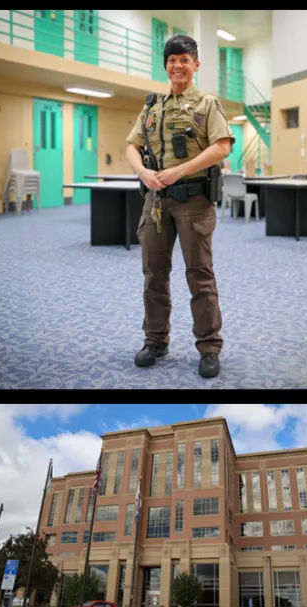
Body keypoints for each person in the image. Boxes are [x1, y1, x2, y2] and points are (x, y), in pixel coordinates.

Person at [124, 34, 235, 378]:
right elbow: (131, 145)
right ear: (166, 66)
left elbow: (222, 146)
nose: (178, 65)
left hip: (194, 201)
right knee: (153, 275)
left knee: (199, 275)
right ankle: (155, 340)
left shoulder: (206, 103)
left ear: (196, 65)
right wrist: (144, 172)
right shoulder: (152, 105)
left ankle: (209, 347)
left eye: (184, 59)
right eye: (172, 60)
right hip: (156, 202)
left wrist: (177, 172)